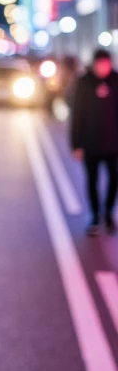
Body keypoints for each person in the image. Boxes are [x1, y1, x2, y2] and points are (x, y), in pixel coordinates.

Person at [71, 48, 118, 236]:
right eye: (100, 65)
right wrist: (76, 144)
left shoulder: (116, 80)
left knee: (115, 179)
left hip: (113, 144)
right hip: (90, 144)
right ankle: (94, 217)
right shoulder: (84, 82)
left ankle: (107, 214)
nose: (104, 68)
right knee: (92, 180)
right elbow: (77, 115)